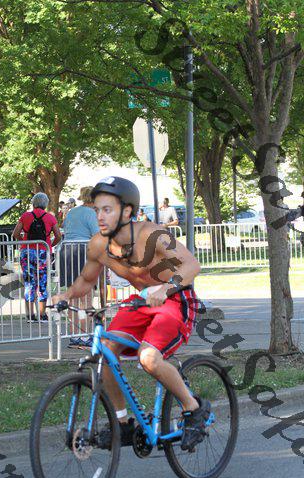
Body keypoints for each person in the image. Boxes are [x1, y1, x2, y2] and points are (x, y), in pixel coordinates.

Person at [53, 176, 209, 452]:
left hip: (175, 299)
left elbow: (191, 265)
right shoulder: (98, 245)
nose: (100, 216)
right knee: (105, 350)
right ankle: (123, 423)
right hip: (141, 301)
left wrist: (166, 288)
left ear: (127, 211)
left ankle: (193, 408)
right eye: (97, 210)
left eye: (107, 209)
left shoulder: (153, 235)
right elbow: (86, 280)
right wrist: (66, 296)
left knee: (149, 358)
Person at [12, 192, 61, 322]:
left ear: (33, 203)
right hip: (43, 252)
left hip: (27, 252)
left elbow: (15, 233)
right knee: (42, 283)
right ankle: (42, 314)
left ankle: (30, 315)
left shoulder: (25, 216)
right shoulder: (50, 217)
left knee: (29, 282)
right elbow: (58, 236)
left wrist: (24, 242)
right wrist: (49, 245)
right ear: (46, 204)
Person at [62, 186, 100, 348]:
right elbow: (97, 235)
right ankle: (84, 336)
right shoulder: (91, 213)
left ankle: (74, 335)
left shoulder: (72, 212)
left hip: (67, 252)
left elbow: (65, 229)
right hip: (83, 252)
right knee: (86, 296)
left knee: (73, 296)